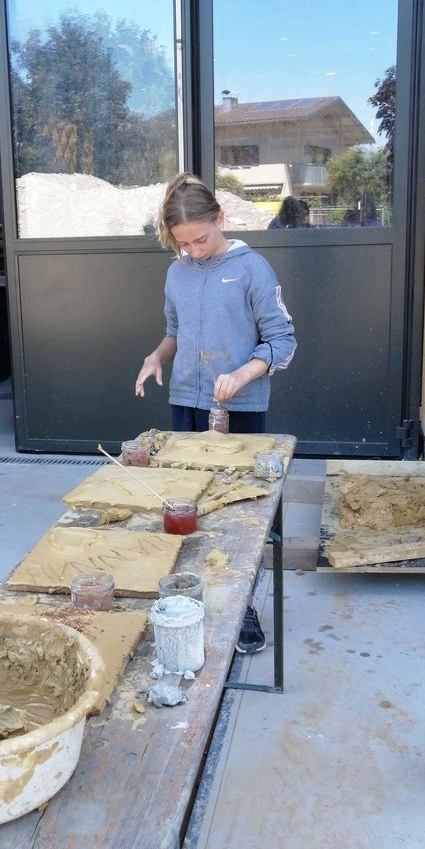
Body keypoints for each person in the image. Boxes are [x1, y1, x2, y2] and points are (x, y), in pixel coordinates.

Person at [135, 172, 296, 654]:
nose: (194, 251)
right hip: (186, 403)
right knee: (185, 505)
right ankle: (188, 597)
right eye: (183, 243)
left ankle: (241, 607)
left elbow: (283, 341)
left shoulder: (252, 269)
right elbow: (174, 332)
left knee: (236, 514)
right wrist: (155, 357)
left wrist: (243, 374)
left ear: (220, 219)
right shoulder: (177, 272)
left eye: (200, 239)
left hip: (240, 408)